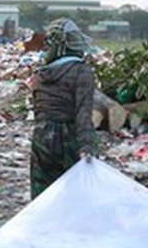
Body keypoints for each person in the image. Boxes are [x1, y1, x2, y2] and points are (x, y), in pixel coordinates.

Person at [28, 18, 97, 198]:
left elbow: (38, 110)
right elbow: (83, 112)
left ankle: (40, 226)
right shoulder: (81, 71)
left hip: (41, 135)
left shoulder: (41, 73)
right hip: (69, 138)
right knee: (75, 194)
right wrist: (87, 146)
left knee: (43, 195)